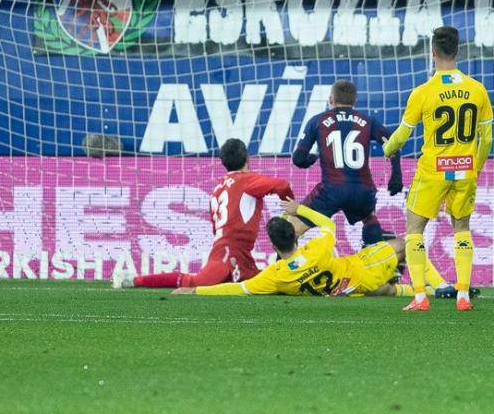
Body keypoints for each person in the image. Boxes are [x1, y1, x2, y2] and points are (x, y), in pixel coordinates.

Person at [383, 26, 493, 312]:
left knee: (415, 230)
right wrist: (476, 167)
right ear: (458, 51)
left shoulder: (423, 92)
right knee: (462, 228)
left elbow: (402, 135)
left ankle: (420, 297)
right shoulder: (477, 89)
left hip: (433, 171)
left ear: (432, 52)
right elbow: (488, 138)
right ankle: (463, 295)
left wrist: (387, 148)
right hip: (465, 169)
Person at [113, 138, 294, 290]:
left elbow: (216, 225)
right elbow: (282, 185)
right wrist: (290, 210)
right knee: (199, 283)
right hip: (229, 249)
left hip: (236, 250)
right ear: (248, 158)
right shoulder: (247, 180)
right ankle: (135, 280)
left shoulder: (218, 187)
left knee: (272, 285)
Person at [175, 199, 440, 297]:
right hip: (361, 271)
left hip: (350, 291)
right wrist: (299, 209)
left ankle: (423, 290)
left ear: (276, 247)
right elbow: (328, 223)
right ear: (295, 235)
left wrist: (197, 290)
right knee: (407, 243)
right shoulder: (317, 249)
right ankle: (440, 288)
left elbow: (236, 289)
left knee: (383, 290)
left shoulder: (276, 276)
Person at [292, 80, 402, 247]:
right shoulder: (368, 121)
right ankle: (379, 265)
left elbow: (298, 159)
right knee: (368, 217)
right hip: (362, 191)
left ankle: (283, 271)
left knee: (291, 230)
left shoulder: (318, 121)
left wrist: (311, 160)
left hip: (331, 191)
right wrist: (396, 176)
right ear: (355, 100)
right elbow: (394, 144)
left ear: (331, 99)